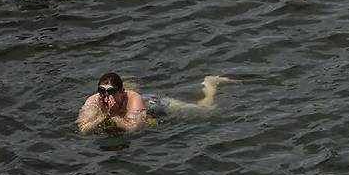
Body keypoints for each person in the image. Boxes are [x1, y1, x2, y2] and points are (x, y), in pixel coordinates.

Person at [77, 72, 232, 134]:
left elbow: (134, 128)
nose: (105, 96)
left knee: (206, 110)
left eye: (111, 92)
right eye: (101, 91)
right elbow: (83, 129)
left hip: (153, 103)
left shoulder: (133, 99)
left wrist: (113, 115)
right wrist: (103, 115)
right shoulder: (93, 101)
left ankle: (210, 83)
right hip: (122, 110)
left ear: (121, 92)